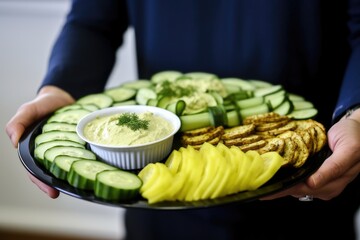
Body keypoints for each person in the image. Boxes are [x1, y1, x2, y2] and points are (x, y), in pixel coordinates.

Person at [5, 0, 360, 239]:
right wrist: (61, 89)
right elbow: (93, 19)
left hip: (307, 194)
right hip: (159, 190)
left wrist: (356, 113)